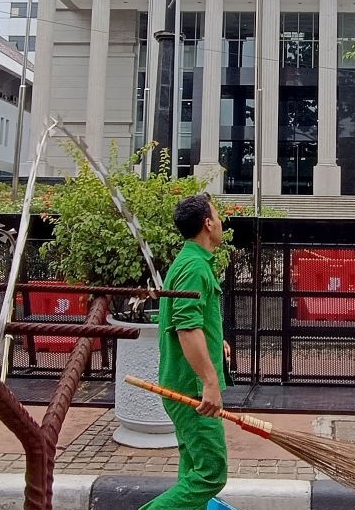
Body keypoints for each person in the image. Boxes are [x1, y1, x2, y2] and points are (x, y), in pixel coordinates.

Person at [139, 193, 230, 510]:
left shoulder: (190, 262)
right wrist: (209, 381)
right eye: (217, 216)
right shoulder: (194, 267)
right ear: (208, 223)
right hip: (193, 392)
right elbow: (186, 328)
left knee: (192, 466)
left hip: (182, 386)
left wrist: (217, 343)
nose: (220, 222)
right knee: (210, 474)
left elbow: (195, 323)